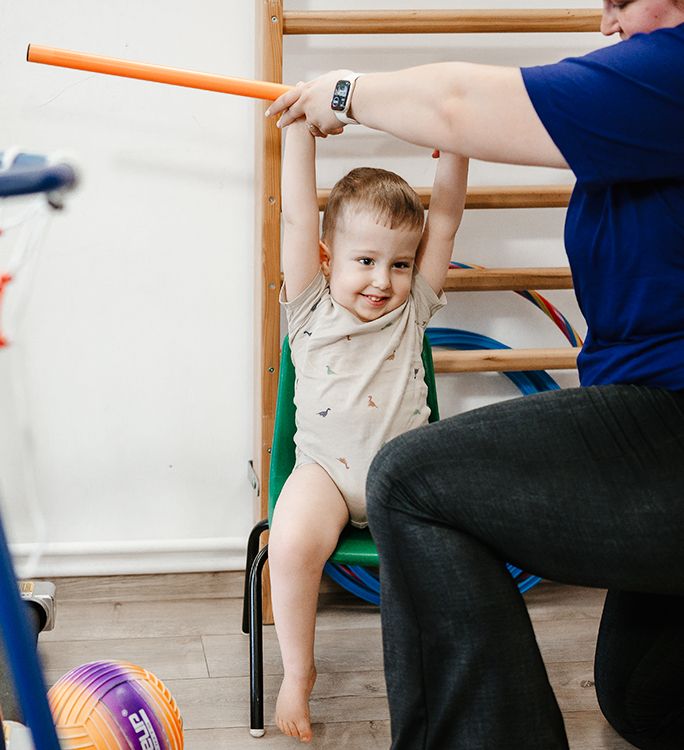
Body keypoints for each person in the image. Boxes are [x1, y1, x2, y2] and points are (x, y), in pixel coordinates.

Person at [265, 0, 684, 748]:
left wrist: (343, 91)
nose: (605, 23)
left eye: (621, 1)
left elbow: (459, 104)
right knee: (652, 691)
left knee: (412, 484)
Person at [268, 119, 468, 741]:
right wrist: (298, 133)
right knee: (291, 543)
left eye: (399, 264)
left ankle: (443, 674)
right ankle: (297, 672)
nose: (383, 280)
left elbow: (449, 218)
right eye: (365, 261)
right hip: (325, 475)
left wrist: (456, 150)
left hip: (403, 482)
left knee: (448, 557)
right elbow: (300, 218)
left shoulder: (414, 309)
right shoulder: (309, 306)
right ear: (328, 261)